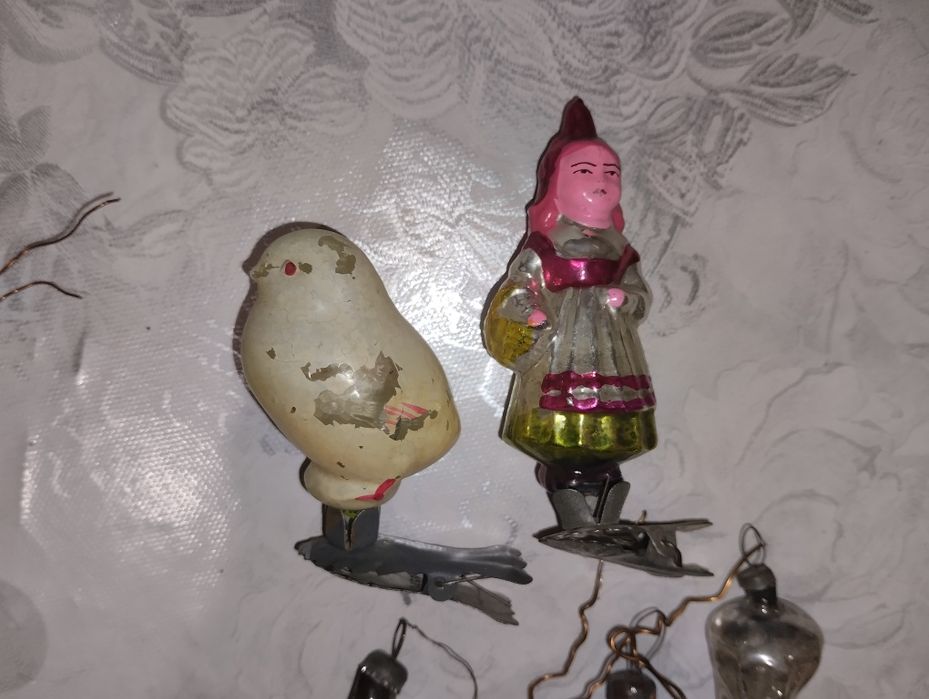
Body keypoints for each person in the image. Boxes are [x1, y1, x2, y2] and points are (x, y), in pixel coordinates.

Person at [483, 97, 656, 495]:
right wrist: (530, 312)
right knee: (557, 418)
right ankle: (572, 485)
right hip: (561, 354)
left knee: (614, 419)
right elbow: (518, 289)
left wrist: (626, 299)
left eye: (611, 173)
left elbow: (640, 296)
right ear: (556, 187)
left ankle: (600, 483)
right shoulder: (544, 248)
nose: (601, 181)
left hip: (612, 351)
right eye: (585, 171)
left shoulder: (620, 250)